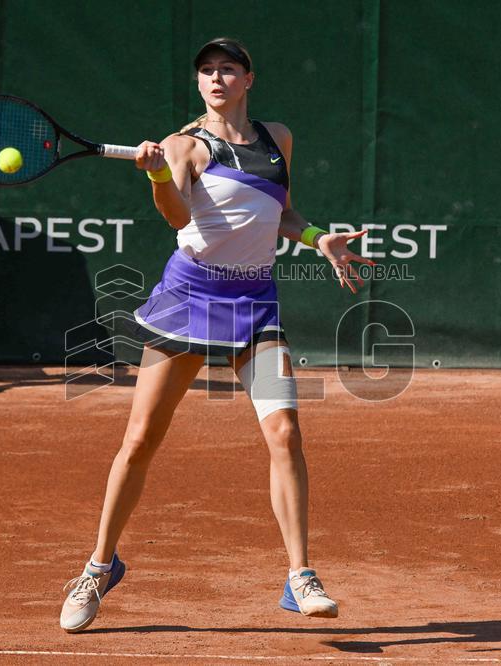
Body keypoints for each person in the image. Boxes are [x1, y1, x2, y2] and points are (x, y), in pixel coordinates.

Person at [59, 37, 375, 633]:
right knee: (141, 439)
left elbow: (280, 211)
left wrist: (317, 238)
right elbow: (178, 215)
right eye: (207, 71)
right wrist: (157, 176)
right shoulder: (185, 145)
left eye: (228, 69)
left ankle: (300, 575)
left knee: (285, 430)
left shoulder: (277, 139)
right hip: (189, 301)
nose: (216, 78)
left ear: (249, 79)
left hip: (255, 303)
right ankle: (99, 567)